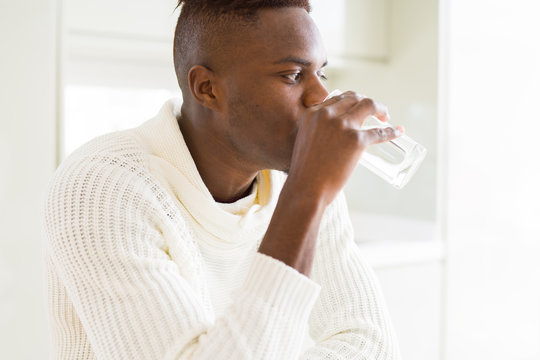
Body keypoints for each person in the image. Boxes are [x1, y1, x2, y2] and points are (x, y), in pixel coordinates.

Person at [42, 0, 403, 359]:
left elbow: (370, 341)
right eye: (293, 75)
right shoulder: (100, 186)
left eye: (320, 74)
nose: (321, 98)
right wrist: (306, 193)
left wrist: (308, 188)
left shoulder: (302, 174)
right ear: (207, 88)